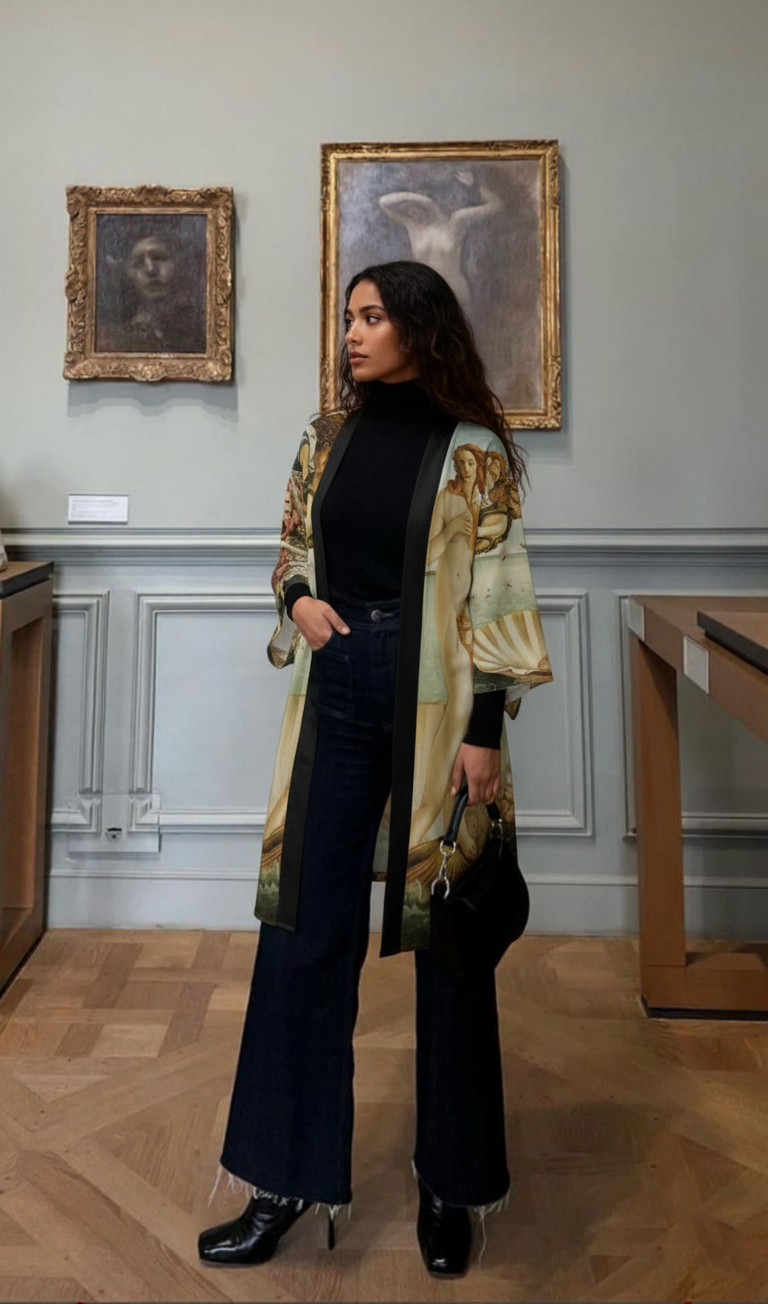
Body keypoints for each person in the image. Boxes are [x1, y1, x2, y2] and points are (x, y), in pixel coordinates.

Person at [198, 260, 552, 1277]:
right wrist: (300, 598)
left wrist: (484, 731)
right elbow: (289, 546)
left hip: (442, 707)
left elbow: (498, 590)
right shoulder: (325, 438)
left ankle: (452, 1185)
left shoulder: (475, 450)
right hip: (337, 690)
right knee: (301, 933)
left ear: (418, 328)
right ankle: (282, 1180)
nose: (352, 333)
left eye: (372, 316)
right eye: (349, 316)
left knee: (447, 940)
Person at [378, 169, 502, 313]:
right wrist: (419, 198)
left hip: (454, 292)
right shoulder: (413, 227)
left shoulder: (457, 221)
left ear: (435, 204)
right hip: (425, 295)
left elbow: (496, 205)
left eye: (419, 205)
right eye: (412, 206)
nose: (413, 211)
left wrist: (475, 186)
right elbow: (383, 202)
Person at [96, 230, 206, 355]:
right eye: (138, 262)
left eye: (159, 258)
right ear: (128, 273)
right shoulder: (111, 338)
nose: (151, 270)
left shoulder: (203, 328)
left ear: (178, 263)